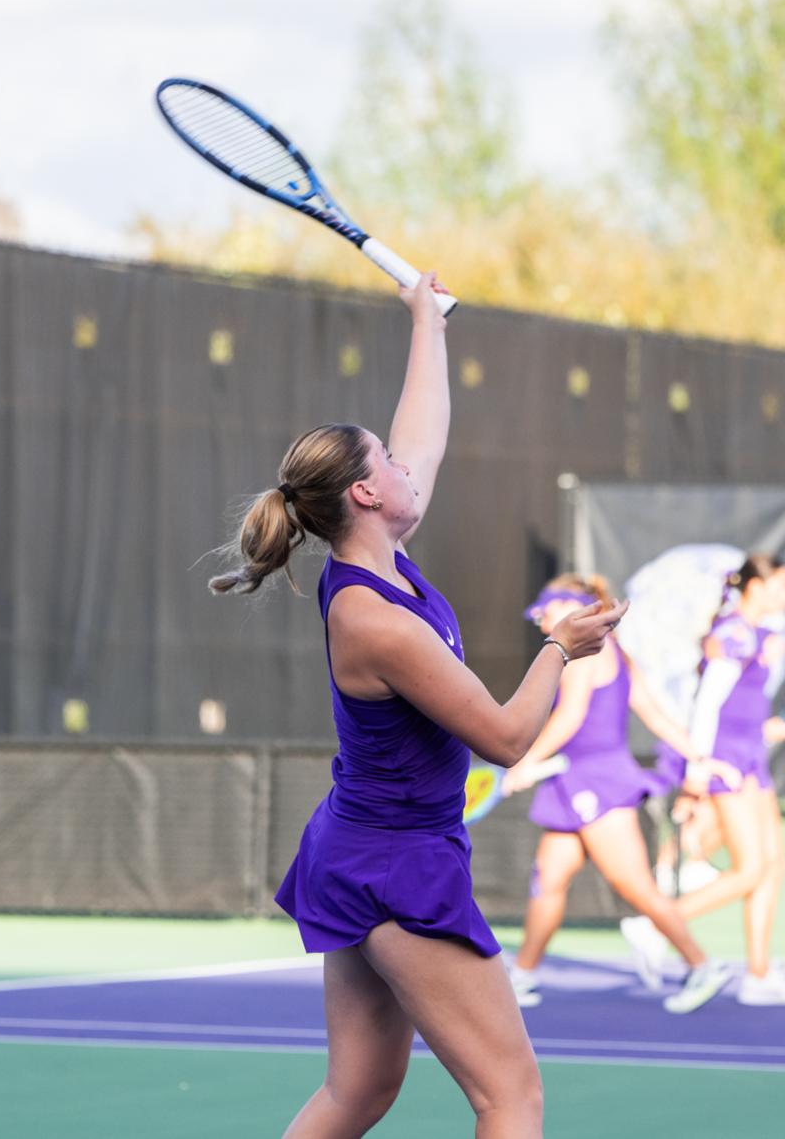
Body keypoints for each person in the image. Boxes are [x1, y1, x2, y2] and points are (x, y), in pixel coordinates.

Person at [212, 274, 625, 1139]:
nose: (407, 468)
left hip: (364, 846)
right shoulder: (374, 619)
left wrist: (424, 321)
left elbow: (423, 434)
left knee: (358, 1092)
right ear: (365, 495)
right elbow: (509, 739)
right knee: (510, 1097)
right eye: (388, 465)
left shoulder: (381, 554)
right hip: (394, 867)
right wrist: (560, 647)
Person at [502, 574, 737, 1013]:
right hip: (571, 782)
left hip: (599, 783)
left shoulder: (587, 654)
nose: (540, 622)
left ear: (573, 608)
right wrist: (698, 757)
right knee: (549, 879)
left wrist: (525, 761)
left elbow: (571, 716)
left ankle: (702, 965)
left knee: (636, 887)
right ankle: (524, 975)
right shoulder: (615, 652)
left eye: (546, 612)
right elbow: (654, 715)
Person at [670, 553, 785, 1007]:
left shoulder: (761, 634)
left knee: (773, 864)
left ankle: (758, 974)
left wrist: (764, 727)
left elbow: (744, 700)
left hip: (752, 751)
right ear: (755, 587)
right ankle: (659, 921)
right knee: (750, 867)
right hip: (726, 758)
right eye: (782, 586)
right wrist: (698, 767)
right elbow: (709, 704)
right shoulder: (733, 632)